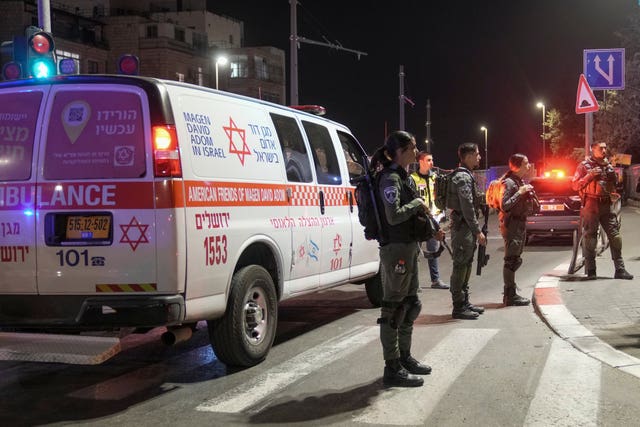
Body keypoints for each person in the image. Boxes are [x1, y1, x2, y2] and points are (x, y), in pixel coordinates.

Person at [370, 130, 444, 387]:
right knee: (394, 308)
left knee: (411, 304)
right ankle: (392, 367)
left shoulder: (403, 177)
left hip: (408, 247)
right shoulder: (390, 179)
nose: (416, 152)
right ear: (401, 151)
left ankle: (405, 358)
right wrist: (417, 205)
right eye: (413, 148)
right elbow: (394, 215)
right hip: (396, 250)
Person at [571, 142, 633, 280]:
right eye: (601, 148)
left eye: (605, 148)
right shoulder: (584, 166)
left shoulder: (608, 165)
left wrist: (613, 191)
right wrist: (590, 175)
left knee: (615, 236)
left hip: (606, 205)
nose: (604, 150)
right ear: (593, 149)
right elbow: (575, 185)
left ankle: (620, 269)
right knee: (590, 237)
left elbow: (612, 185)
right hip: (591, 204)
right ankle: (591, 270)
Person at [447, 143, 486, 320]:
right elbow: (467, 207)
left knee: (467, 264)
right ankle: (458, 306)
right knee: (461, 265)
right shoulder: (462, 177)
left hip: (465, 228)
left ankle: (465, 302)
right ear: (468, 156)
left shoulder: (467, 175)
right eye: (477, 154)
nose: (479, 157)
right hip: (463, 228)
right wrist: (478, 231)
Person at [499, 154, 539, 306]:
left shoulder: (519, 181)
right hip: (512, 225)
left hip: (519, 224)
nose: (529, 166)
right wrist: (520, 192)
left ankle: (511, 293)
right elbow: (505, 205)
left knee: (515, 259)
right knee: (511, 260)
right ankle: (510, 295)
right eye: (526, 163)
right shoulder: (509, 183)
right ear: (517, 166)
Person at [410, 151, 450, 290]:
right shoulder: (413, 178)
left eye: (432, 160)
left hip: (433, 219)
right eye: (428, 160)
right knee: (416, 251)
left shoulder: (435, 177)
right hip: (419, 219)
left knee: (433, 250)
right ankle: (414, 283)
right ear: (420, 161)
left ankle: (435, 280)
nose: (432, 163)